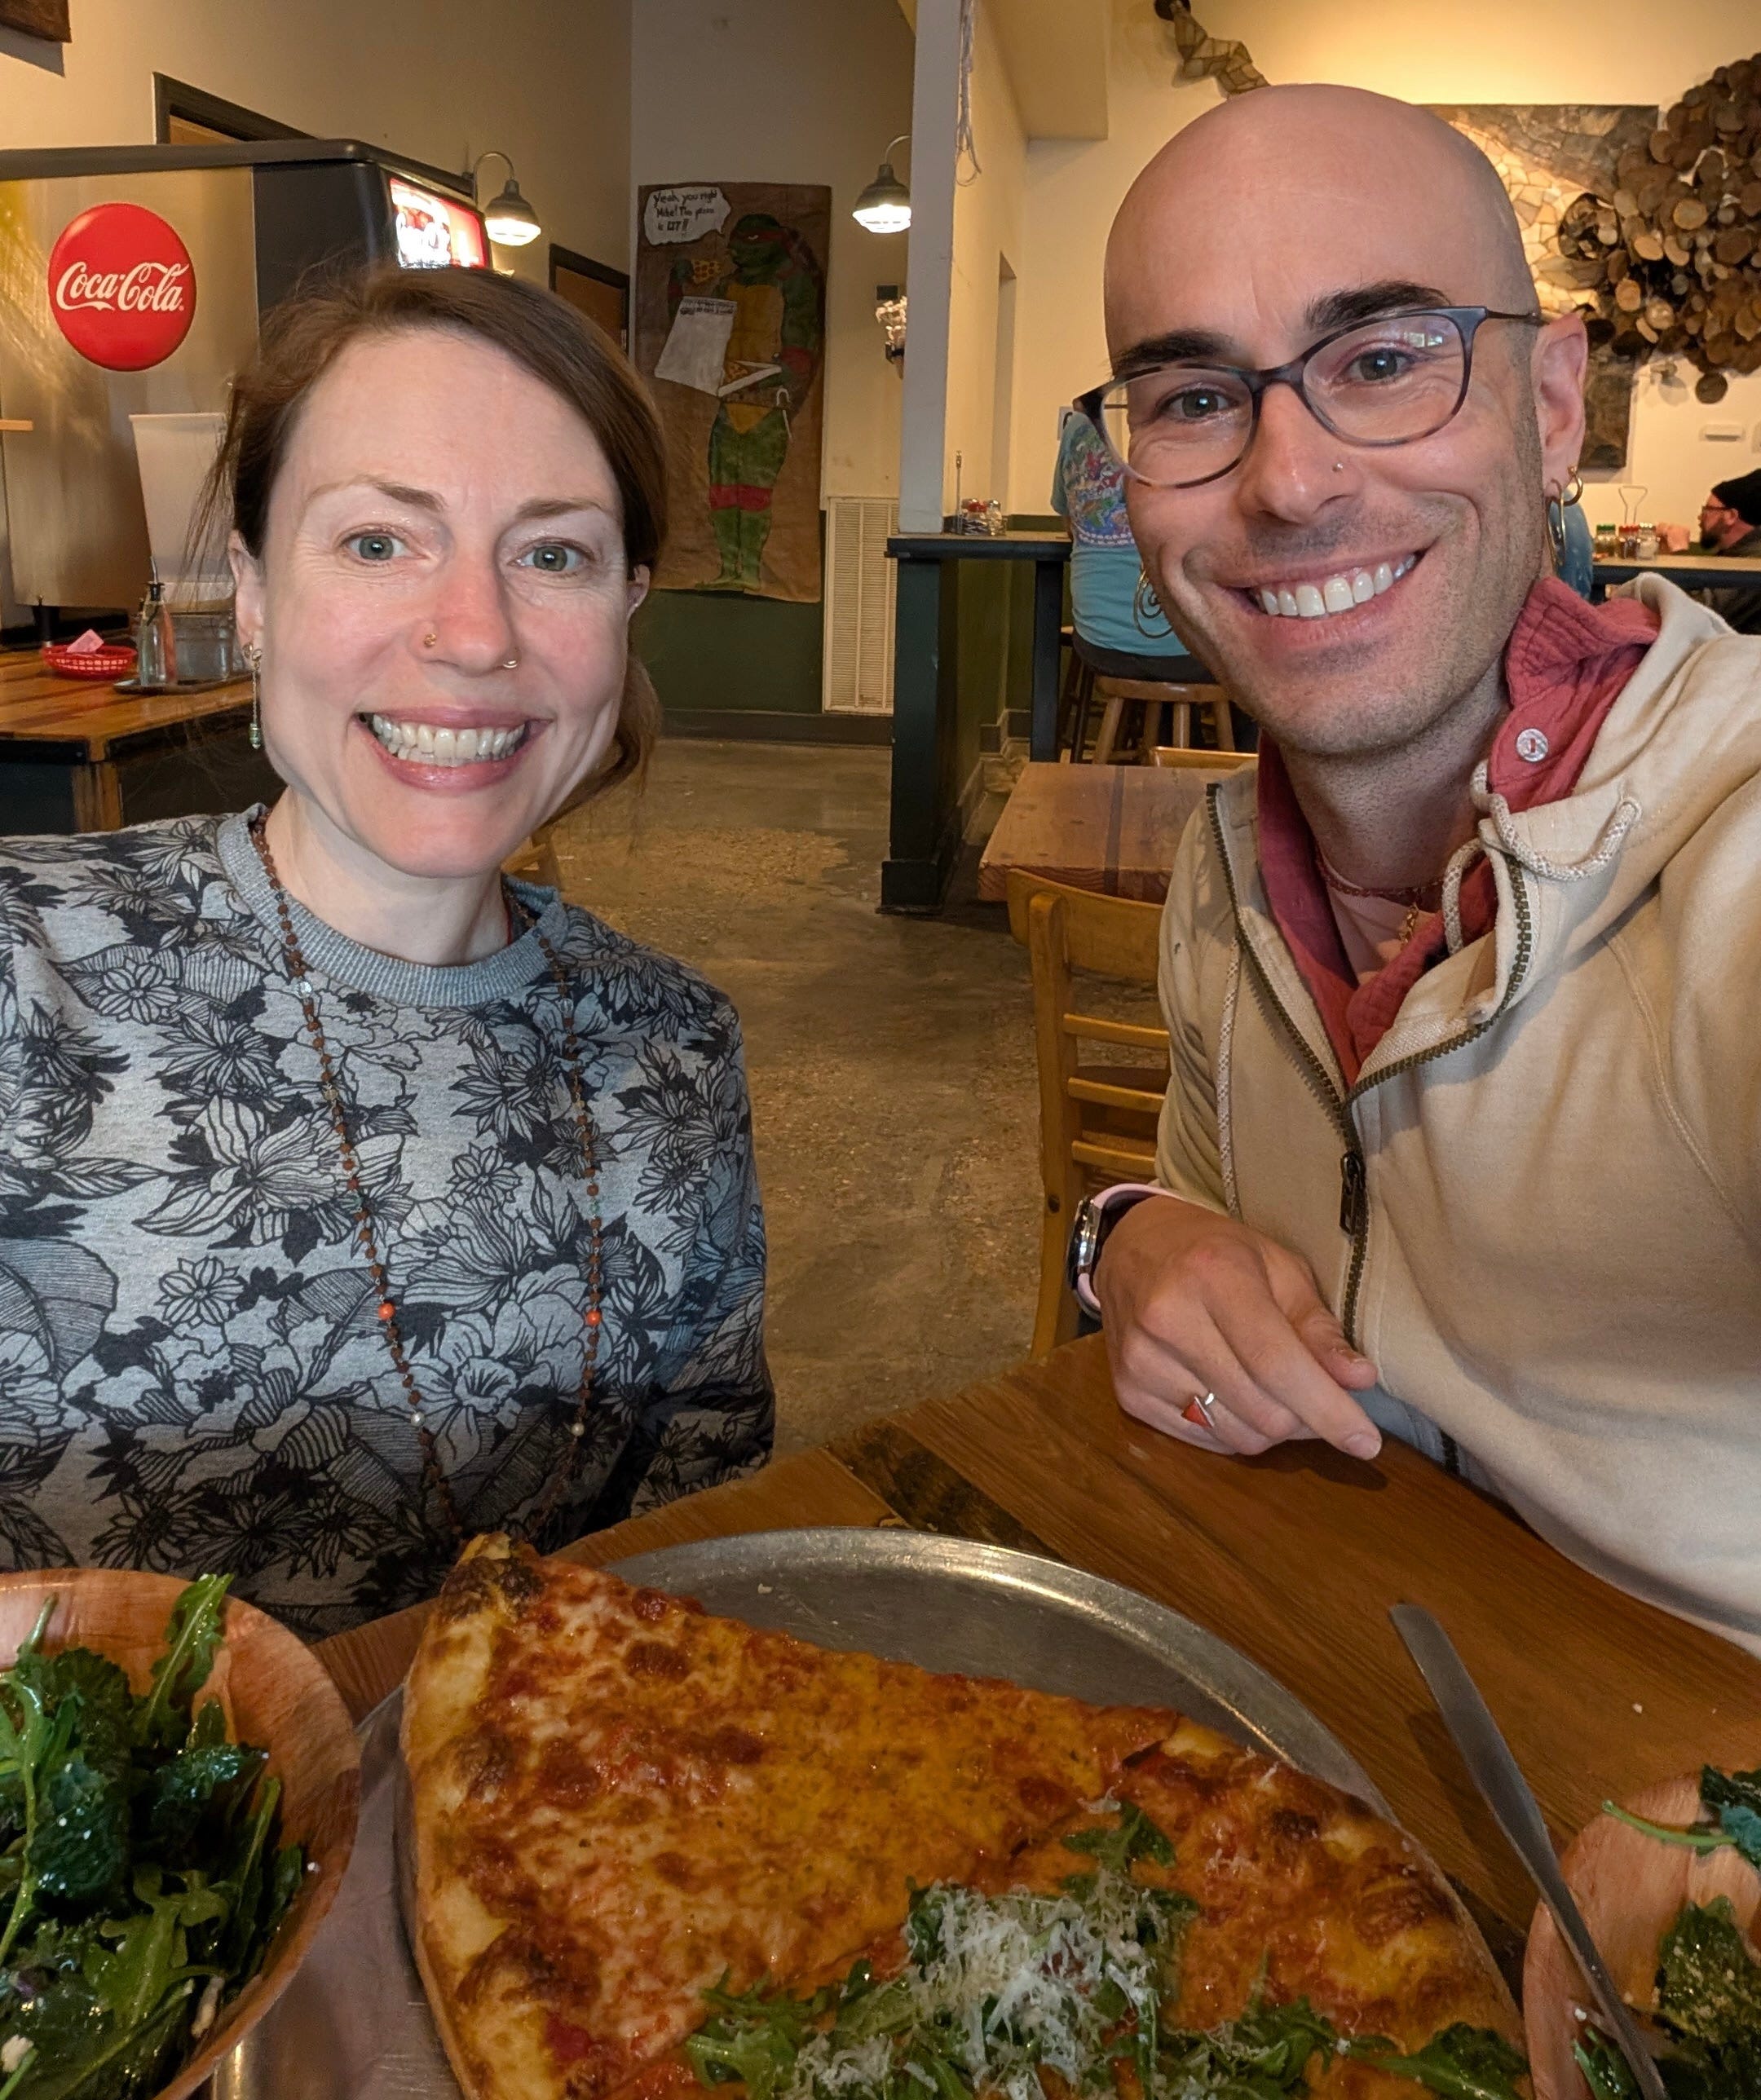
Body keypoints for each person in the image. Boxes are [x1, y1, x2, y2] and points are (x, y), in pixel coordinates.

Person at [1075, 85, 1761, 1653]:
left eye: (1382, 362)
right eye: (1195, 397)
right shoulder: (1228, 867)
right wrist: (1131, 1236)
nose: (1289, 481)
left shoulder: (1732, 848)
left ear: (1555, 405)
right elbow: (1205, 1219)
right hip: (1318, 1695)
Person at [0, 266, 773, 1637]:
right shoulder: (22, 968)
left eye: (554, 555)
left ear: (627, 607)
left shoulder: (677, 1050)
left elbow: (700, 1552)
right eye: (377, 541)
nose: (473, 634)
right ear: (250, 591)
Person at [1696, 469, 1761, 633]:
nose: (1700, 517)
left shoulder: (1753, 563)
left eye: (1707, 510)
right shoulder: (1736, 554)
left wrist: (1678, 551)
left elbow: (1700, 615)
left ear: (1731, 516)